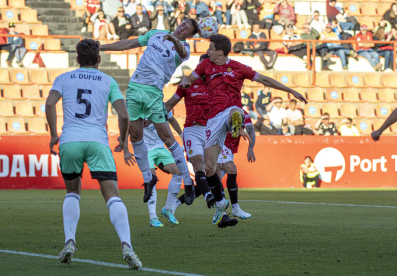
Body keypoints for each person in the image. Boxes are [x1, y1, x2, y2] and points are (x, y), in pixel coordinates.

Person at [179, 34, 307, 225]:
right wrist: (186, 82)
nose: (207, 51)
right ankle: (221, 202)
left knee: (236, 110)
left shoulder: (238, 67)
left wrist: (290, 90)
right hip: (212, 120)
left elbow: (264, 79)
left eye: (210, 48)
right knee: (209, 168)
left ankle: (235, 123)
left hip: (229, 110)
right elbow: (189, 78)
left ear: (220, 52)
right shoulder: (205, 66)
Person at [45, 39, 142, 269]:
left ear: (77, 59)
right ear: (99, 59)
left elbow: (49, 104)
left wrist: (52, 135)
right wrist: (123, 138)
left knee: (72, 193)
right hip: (98, 142)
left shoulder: (64, 78)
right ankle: (126, 244)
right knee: (112, 196)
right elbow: (125, 115)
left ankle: (70, 241)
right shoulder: (108, 81)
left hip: (70, 141)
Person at [100, 19, 199, 206]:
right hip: (134, 87)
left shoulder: (185, 47)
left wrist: (175, 40)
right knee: (136, 136)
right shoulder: (156, 34)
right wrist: (101, 47)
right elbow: (129, 43)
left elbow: (182, 52)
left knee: (167, 137)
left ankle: (187, 182)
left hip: (153, 92)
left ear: (190, 35)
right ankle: (148, 179)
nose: (182, 27)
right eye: (183, 24)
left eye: (187, 28)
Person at [165, 54, 240, 228]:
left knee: (215, 169)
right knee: (199, 164)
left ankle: (221, 213)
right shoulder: (187, 84)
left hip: (211, 130)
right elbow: (170, 104)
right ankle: (208, 196)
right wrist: (153, 117)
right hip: (192, 129)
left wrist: (240, 128)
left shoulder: (220, 87)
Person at [123, 112, 184, 227]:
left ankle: (168, 209)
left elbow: (172, 120)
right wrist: (125, 150)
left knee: (178, 172)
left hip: (160, 148)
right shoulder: (139, 107)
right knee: (151, 179)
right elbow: (127, 128)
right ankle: (153, 217)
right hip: (145, 149)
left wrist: (182, 137)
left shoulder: (161, 105)